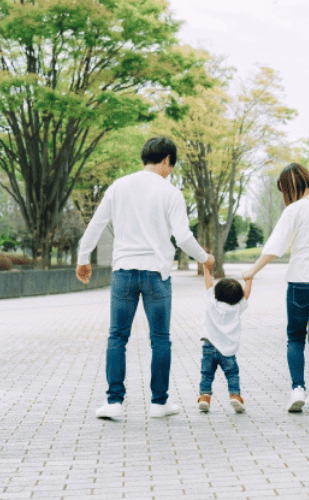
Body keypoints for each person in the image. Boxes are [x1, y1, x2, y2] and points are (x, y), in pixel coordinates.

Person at [76, 136, 214, 420]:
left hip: (124, 271)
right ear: (166, 160)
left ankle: (114, 402)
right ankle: (159, 403)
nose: (170, 171)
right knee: (160, 338)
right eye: (171, 165)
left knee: (117, 336)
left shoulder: (119, 186)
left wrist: (83, 258)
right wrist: (205, 258)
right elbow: (183, 236)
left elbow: (96, 223)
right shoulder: (171, 193)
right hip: (156, 273)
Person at [242, 162, 309, 413]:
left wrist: (251, 271)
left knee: (295, 338)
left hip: (301, 284)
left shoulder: (295, 211)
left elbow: (274, 247)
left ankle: (297, 389)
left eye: (283, 191)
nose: (284, 197)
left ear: (290, 187)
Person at [197, 259, 252, 414]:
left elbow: (208, 284)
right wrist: (249, 280)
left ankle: (204, 398)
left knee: (206, 374)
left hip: (208, 346)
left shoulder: (211, 302)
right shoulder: (237, 307)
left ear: (215, 293)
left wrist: (206, 268)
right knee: (232, 373)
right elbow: (246, 296)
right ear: (238, 296)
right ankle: (235, 396)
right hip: (228, 350)